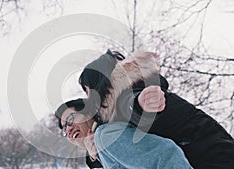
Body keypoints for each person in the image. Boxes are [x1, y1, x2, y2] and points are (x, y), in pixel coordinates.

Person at [78, 49, 234, 169]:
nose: (89, 97)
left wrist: (142, 104)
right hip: (207, 156)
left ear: (99, 83)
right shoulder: (114, 118)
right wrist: (95, 158)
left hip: (216, 157)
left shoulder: (129, 94)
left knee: (104, 134)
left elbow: (132, 107)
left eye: (87, 89)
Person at [55, 98, 193, 169]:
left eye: (70, 120)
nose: (68, 129)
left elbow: (165, 154)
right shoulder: (99, 150)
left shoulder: (106, 135)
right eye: (64, 130)